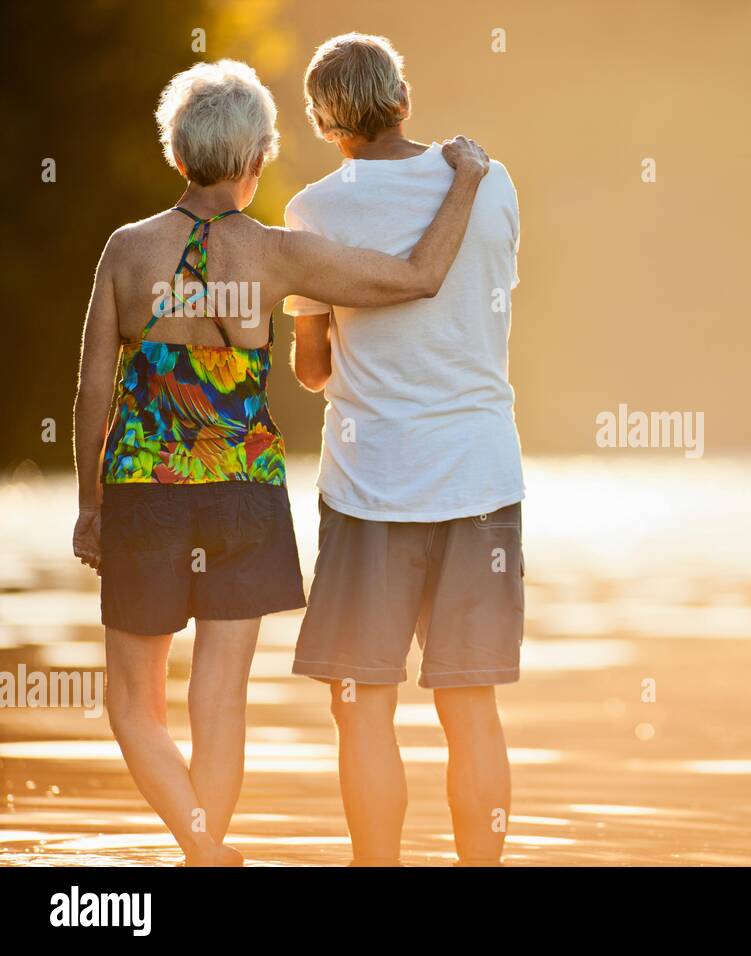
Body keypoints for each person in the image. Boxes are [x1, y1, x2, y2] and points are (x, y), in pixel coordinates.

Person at [70, 58, 490, 866]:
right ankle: (208, 853)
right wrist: (465, 181)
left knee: (132, 707)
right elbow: (419, 277)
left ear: (177, 153)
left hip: (143, 496)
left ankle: (199, 851)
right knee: (219, 700)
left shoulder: (126, 252)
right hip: (247, 500)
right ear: (258, 159)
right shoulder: (279, 256)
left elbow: (92, 386)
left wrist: (90, 506)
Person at [284, 33, 524, 867]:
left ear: (325, 121)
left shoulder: (315, 211)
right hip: (482, 478)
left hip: (370, 489)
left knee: (362, 707)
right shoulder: (492, 185)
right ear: (403, 100)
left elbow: (312, 368)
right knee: (473, 707)